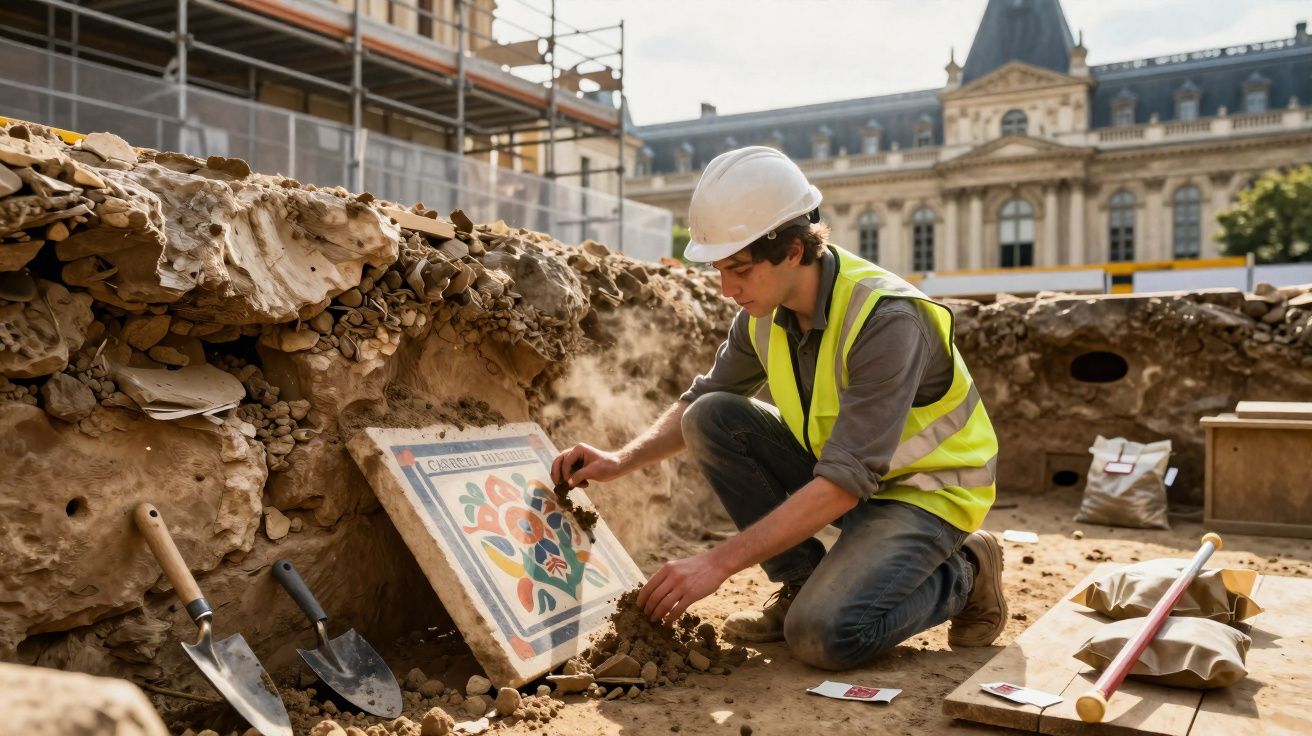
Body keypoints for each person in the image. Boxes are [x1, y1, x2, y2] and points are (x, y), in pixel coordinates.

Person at [550, 146, 1005, 669]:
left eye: (739, 269)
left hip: (929, 494)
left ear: (793, 250)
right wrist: (620, 460)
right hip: (852, 480)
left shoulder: (888, 320)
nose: (726, 289)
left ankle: (968, 569)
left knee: (822, 636)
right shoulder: (763, 312)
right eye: (721, 269)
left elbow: (843, 482)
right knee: (712, 416)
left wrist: (716, 564)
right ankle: (802, 581)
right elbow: (702, 400)